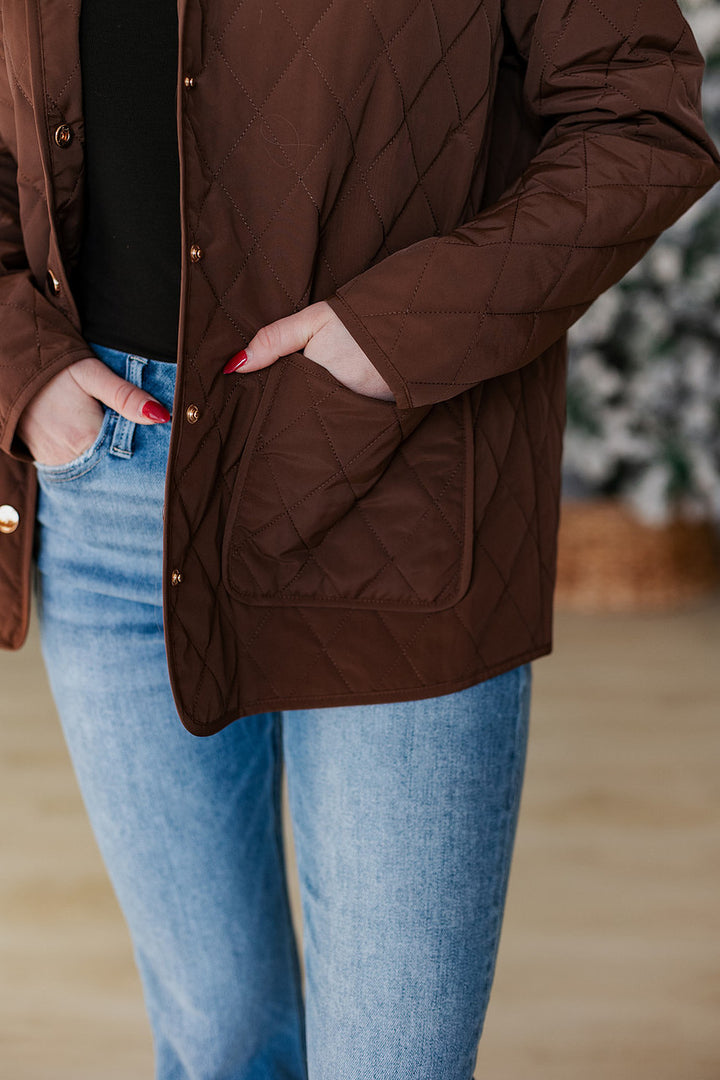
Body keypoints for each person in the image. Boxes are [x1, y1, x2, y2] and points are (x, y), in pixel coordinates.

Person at [1, 0, 718, 1077]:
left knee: (395, 1059)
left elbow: (641, 117)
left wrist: (395, 336)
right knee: (217, 1038)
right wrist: (23, 365)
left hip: (396, 470)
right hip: (108, 482)